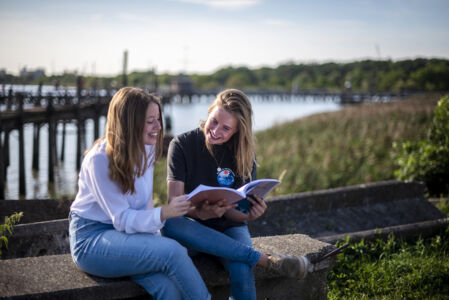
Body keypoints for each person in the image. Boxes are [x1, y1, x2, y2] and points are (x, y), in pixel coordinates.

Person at [163, 89, 310, 300]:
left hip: (228, 227)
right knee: (169, 224)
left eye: (225, 128)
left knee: (242, 270)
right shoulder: (182, 144)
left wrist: (249, 215)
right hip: (191, 228)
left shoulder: (243, 153)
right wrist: (201, 213)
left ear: (237, 131)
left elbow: (235, 214)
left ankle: (251, 258)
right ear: (209, 112)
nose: (214, 131)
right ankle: (266, 260)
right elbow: (173, 204)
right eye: (213, 121)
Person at [69, 87, 210, 300]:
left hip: (128, 235)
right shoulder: (99, 160)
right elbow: (122, 218)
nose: (158, 127)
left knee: (169, 290)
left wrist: (153, 241)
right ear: (129, 123)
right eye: (150, 121)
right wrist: (164, 213)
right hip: (92, 240)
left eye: (158, 119)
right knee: (174, 252)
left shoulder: (147, 148)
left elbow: (143, 205)